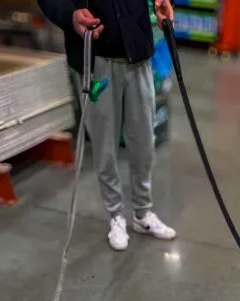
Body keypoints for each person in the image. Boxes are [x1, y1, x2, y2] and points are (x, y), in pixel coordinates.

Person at [38, 0, 177, 250]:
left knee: (144, 142)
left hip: (138, 56)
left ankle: (142, 213)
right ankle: (116, 215)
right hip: (96, 59)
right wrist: (69, 15)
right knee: (105, 145)